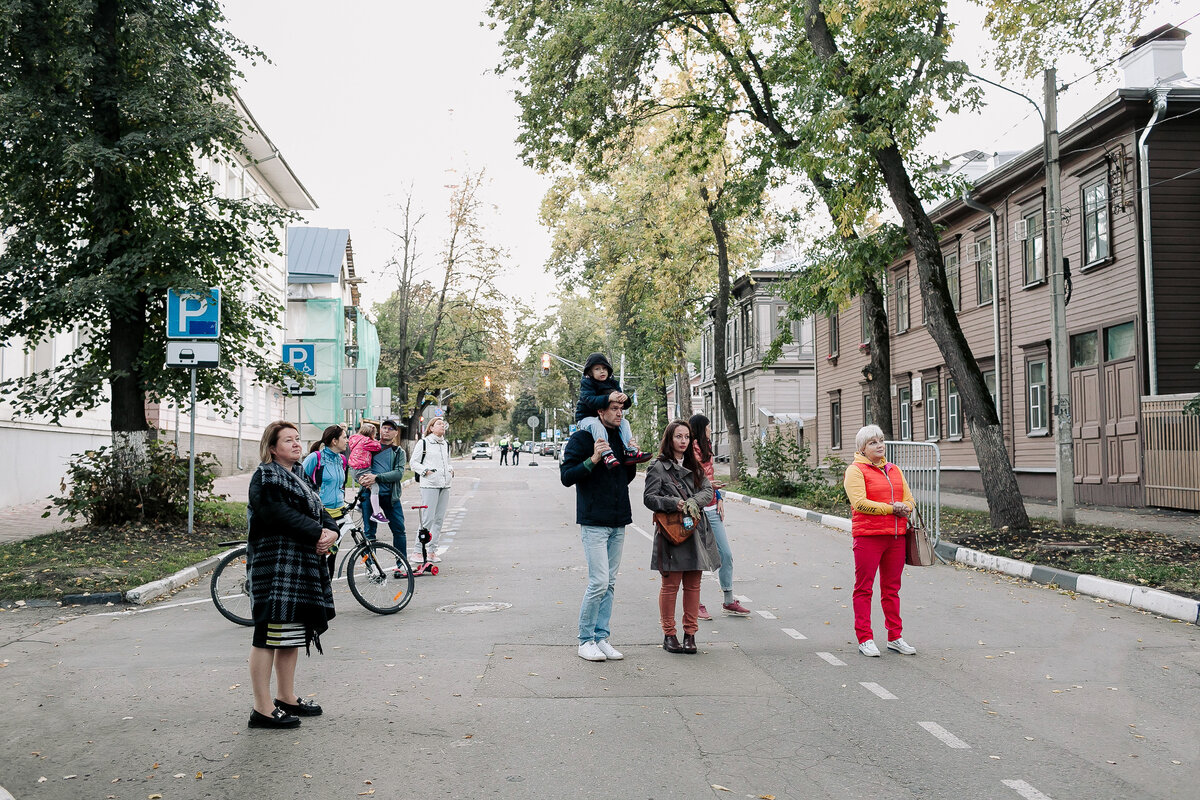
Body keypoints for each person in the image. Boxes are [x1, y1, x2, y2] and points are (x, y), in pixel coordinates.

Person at [245, 420, 337, 729]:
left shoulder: (299, 475)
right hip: (274, 567)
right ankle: (261, 707)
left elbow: (319, 509)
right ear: (272, 448)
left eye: (298, 439)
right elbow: (278, 515)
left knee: (290, 634)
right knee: (267, 635)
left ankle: (286, 696)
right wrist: (317, 533)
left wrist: (331, 531)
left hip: (299, 566)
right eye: (288, 441)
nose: (297, 444)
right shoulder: (265, 477)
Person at [561, 398, 639, 662]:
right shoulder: (582, 438)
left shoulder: (621, 436)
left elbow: (624, 479)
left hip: (618, 518)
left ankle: (602, 637)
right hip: (594, 519)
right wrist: (594, 458)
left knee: (611, 584)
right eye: (614, 409)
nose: (619, 413)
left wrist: (631, 459)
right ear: (600, 411)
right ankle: (585, 640)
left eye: (621, 410)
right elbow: (567, 476)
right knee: (599, 582)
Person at [644, 420, 719, 655]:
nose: (683, 441)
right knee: (670, 586)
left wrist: (692, 502)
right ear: (670, 439)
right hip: (672, 532)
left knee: (693, 585)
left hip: (694, 531)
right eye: (678, 436)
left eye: (687, 437)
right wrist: (673, 503)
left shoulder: (693, 464)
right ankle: (669, 634)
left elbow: (708, 489)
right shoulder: (658, 467)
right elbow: (649, 498)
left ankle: (690, 634)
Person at [843, 425, 917, 657]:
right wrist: (891, 508)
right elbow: (859, 503)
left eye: (881, 440)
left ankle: (895, 637)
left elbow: (909, 498)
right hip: (869, 537)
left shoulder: (894, 469)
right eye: (873, 442)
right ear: (862, 448)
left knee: (892, 589)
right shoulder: (855, 471)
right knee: (864, 588)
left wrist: (907, 507)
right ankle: (864, 638)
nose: (879, 445)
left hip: (896, 537)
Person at [688, 414, 751, 619]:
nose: (710, 430)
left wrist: (718, 496)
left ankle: (728, 600)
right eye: (707, 427)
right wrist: (707, 488)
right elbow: (689, 482)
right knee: (697, 558)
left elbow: (710, 478)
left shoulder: (707, 448)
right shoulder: (689, 450)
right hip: (695, 510)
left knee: (725, 554)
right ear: (699, 428)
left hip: (712, 508)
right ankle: (695, 603)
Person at [575, 353, 651, 468]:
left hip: (605, 417)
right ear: (590, 372)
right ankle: (606, 454)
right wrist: (608, 398)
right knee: (596, 425)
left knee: (624, 422)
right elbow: (589, 400)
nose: (602, 371)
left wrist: (625, 398)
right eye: (597, 369)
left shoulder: (613, 383)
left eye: (604, 368)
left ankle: (630, 451)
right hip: (586, 417)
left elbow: (620, 403)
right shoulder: (587, 383)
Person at [356, 419, 408, 576]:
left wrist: (376, 477)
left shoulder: (398, 452)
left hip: (390, 497)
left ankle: (401, 564)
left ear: (395, 433)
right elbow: (356, 464)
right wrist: (362, 479)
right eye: (384, 428)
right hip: (368, 494)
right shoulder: (369, 447)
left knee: (399, 530)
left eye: (390, 429)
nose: (386, 431)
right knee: (369, 533)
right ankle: (372, 567)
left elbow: (398, 474)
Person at [411, 416, 453, 563]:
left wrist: (450, 470)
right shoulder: (424, 443)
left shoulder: (445, 444)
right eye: (439, 424)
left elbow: (448, 462)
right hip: (429, 484)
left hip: (445, 484)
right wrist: (425, 471)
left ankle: (432, 551)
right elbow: (413, 463)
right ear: (431, 428)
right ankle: (417, 550)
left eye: (443, 424)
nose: (442, 426)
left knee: (439, 519)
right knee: (428, 519)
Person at [347, 421, 387, 522]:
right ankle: (376, 513)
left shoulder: (354, 439)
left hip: (353, 469)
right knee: (374, 486)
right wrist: (375, 440)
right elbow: (378, 446)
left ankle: (360, 504)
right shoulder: (366, 441)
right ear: (371, 433)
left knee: (366, 485)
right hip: (362, 468)